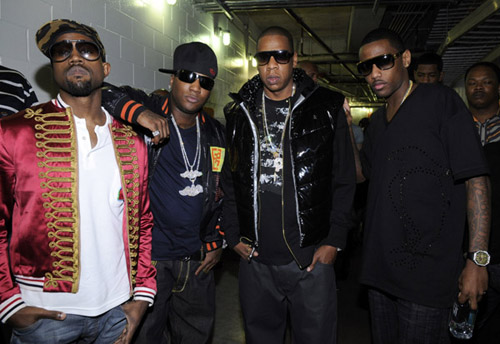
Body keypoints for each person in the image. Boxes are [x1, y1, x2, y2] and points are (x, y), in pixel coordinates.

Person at [0, 19, 156, 344]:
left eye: (87, 49)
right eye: (62, 50)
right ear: (53, 68)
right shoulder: (14, 133)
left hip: (117, 314)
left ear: (106, 68)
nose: (74, 56)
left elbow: (143, 224)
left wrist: (142, 297)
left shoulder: (132, 142)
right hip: (43, 318)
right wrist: (9, 302)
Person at [223, 26, 356, 344]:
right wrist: (232, 233)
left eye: (280, 56)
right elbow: (231, 178)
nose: (272, 65)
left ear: (294, 59)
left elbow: (344, 178)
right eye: (263, 57)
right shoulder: (240, 112)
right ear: (256, 62)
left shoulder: (326, 106)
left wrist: (333, 241)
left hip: (309, 259)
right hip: (256, 260)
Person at [358, 28, 490, 343]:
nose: (375, 73)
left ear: (405, 59)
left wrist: (477, 258)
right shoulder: (376, 122)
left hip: (427, 276)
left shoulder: (441, 101)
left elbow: (476, 178)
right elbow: (364, 177)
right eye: (367, 67)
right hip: (379, 273)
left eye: (384, 61)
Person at [101, 42, 227, 344]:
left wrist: (217, 236)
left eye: (205, 81)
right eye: (187, 76)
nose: (195, 87)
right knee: (145, 337)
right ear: (172, 79)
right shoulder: (146, 110)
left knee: (195, 337)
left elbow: (224, 192)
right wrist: (141, 115)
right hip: (150, 261)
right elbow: (101, 92)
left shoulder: (216, 132)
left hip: (197, 261)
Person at [465, 61, 500, 343]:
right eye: (472, 82)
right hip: (466, 246)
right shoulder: (457, 128)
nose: (478, 87)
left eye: (486, 81)